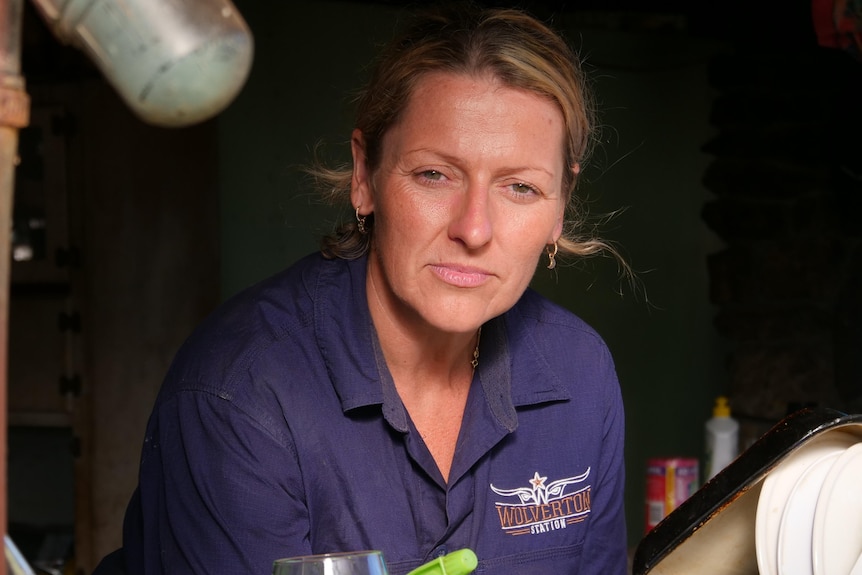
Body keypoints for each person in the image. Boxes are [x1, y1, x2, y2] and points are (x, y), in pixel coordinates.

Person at [108, 3, 628, 574]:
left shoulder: (580, 375)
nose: (473, 229)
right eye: (435, 174)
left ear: (561, 207)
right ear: (364, 175)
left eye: (521, 188)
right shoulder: (241, 390)